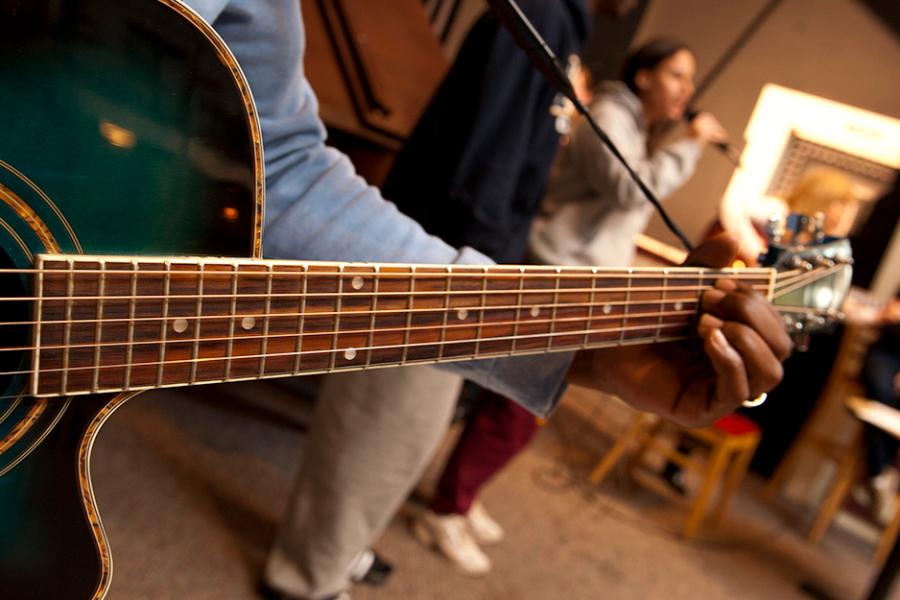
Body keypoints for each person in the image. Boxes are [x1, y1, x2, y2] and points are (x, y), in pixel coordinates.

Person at [182, 2, 790, 599]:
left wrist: (550, 334)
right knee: (378, 434)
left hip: (462, 271)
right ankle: (308, 578)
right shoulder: (543, 17)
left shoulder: (558, 26)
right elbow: (483, 169)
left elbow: (280, 169)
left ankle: (332, 560)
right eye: (677, 73)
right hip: (456, 249)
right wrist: (477, 285)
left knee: (403, 443)